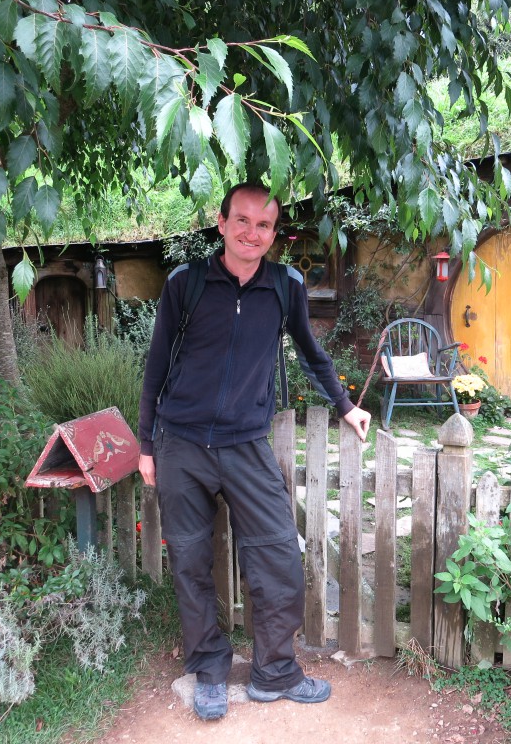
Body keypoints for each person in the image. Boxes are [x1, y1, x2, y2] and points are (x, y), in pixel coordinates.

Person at [138, 182, 372, 721]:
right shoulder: (186, 283)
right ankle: (210, 670)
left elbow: (312, 354)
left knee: (278, 555)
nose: (251, 233)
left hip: (245, 444)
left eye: (263, 225)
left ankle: (274, 670)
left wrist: (345, 406)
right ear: (220, 224)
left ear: (274, 234)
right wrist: (147, 444)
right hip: (181, 445)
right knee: (192, 562)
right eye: (241, 221)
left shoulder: (284, 286)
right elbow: (155, 366)